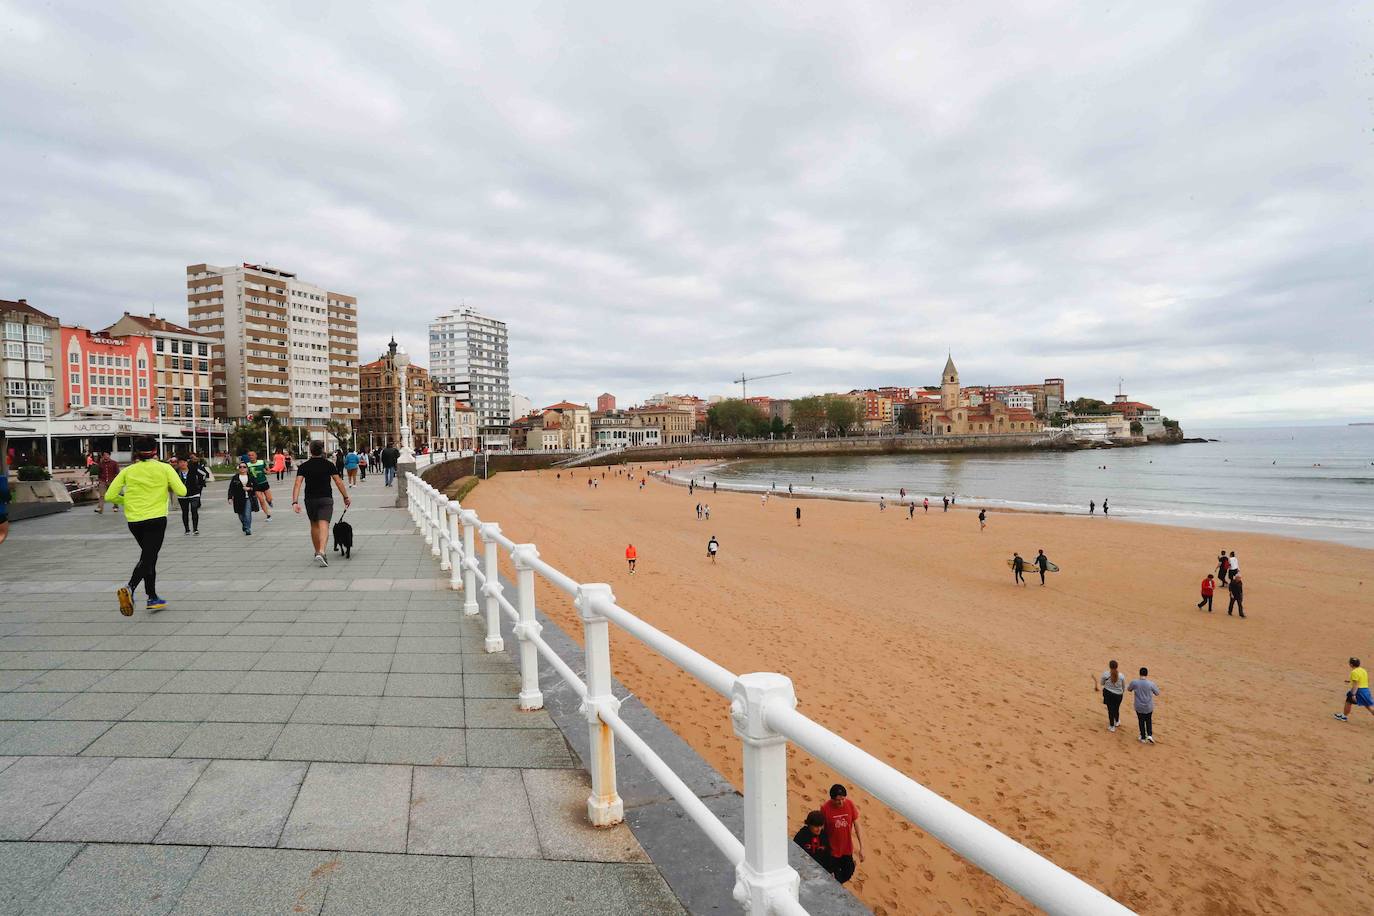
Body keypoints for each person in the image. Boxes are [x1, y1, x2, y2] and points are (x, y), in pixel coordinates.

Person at [106, 438, 185, 615]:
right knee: (149, 557)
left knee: (149, 556)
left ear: (136, 452)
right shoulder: (164, 468)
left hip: (134, 521)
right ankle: (130, 587)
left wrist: (125, 500)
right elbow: (182, 491)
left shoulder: (128, 471)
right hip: (156, 519)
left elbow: (110, 495)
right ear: (156, 449)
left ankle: (152, 597)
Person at [292, 439, 351, 566]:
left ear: (310, 451)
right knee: (324, 525)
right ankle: (322, 552)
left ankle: (317, 551)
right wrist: (345, 497)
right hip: (326, 499)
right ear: (322, 450)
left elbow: (297, 483)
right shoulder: (329, 465)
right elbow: (338, 481)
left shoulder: (304, 466)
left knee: (314, 525)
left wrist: (295, 502)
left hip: (310, 499)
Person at [821, 784, 863, 885]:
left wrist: (862, 847)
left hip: (847, 849)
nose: (841, 802)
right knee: (834, 877)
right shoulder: (825, 808)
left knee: (848, 872)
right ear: (832, 799)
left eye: (843, 799)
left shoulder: (849, 804)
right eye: (838, 800)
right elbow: (821, 830)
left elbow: (857, 824)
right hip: (832, 851)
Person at [176, 456, 209, 536]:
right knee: (185, 512)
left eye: (184, 462)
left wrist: (200, 484)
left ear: (187, 463)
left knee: (194, 510)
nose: (182, 464)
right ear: (178, 464)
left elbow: (204, 474)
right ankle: (187, 529)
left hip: (194, 493)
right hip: (182, 495)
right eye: (180, 462)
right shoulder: (176, 472)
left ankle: (195, 529)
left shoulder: (193, 469)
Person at [1127, 667, 1160, 744]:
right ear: (1147, 674)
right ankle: (1149, 735)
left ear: (1140, 673)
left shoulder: (1135, 682)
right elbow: (1157, 693)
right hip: (1149, 706)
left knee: (1141, 720)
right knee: (1148, 720)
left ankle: (1142, 736)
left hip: (1139, 706)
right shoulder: (1151, 683)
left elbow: (1129, 689)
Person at [1334, 657, 1373, 722]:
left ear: (1351, 665)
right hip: (1366, 690)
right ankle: (1344, 715)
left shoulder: (1354, 672)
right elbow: (1361, 679)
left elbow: (1356, 684)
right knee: (1368, 706)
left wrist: (1353, 694)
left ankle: (1344, 716)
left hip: (1358, 690)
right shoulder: (1363, 670)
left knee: (1349, 700)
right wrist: (1350, 681)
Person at [227, 461, 259, 536]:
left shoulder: (251, 477)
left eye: (244, 467)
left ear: (247, 469)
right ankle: (244, 524)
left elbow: (257, 487)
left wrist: (249, 488)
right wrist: (230, 497)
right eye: (240, 467)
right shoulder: (235, 478)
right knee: (241, 515)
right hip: (238, 499)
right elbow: (231, 488)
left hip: (248, 498)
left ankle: (248, 528)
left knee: (247, 514)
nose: (242, 468)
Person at [1096, 660, 1126, 732]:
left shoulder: (1106, 674)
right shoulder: (1121, 676)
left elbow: (1102, 683)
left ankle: (1112, 726)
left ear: (1109, 666)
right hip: (1118, 695)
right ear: (1117, 666)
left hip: (1108, 694)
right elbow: (1123, 687)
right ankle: (1117, 721)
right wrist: (1120, 692)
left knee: (1110, 710)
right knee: (1116, 708)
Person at [246, 450, 273, 519]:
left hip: (264, 482)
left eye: (252, 455)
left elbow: (267, 469)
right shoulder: (247, 465)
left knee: (269, 498)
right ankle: (268, 515)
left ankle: (269, 502)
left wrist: (267, 471)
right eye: (249, 455)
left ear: (256, 456)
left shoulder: (261, 462)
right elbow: (246, 474)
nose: (251, 456)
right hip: (255, 485)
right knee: (261, 500)